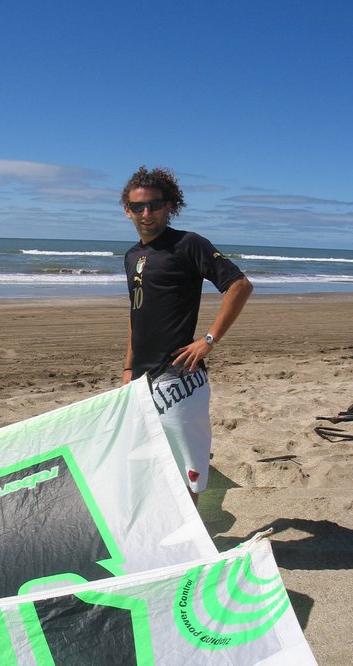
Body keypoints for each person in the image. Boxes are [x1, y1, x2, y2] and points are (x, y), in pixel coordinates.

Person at [121, 165, 253, 505]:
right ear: (127, 210)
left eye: (154, 205)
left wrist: (208, 340)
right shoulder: (132, 256)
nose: (146, 213)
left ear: (169, 206)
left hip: (179, 375)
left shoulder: (188, 244)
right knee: (149, 459)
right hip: (141, 378)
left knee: (188, 470)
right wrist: (127, 370)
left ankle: (190, 541)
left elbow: (239, 285)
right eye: (138, 207)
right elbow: (137, 316)